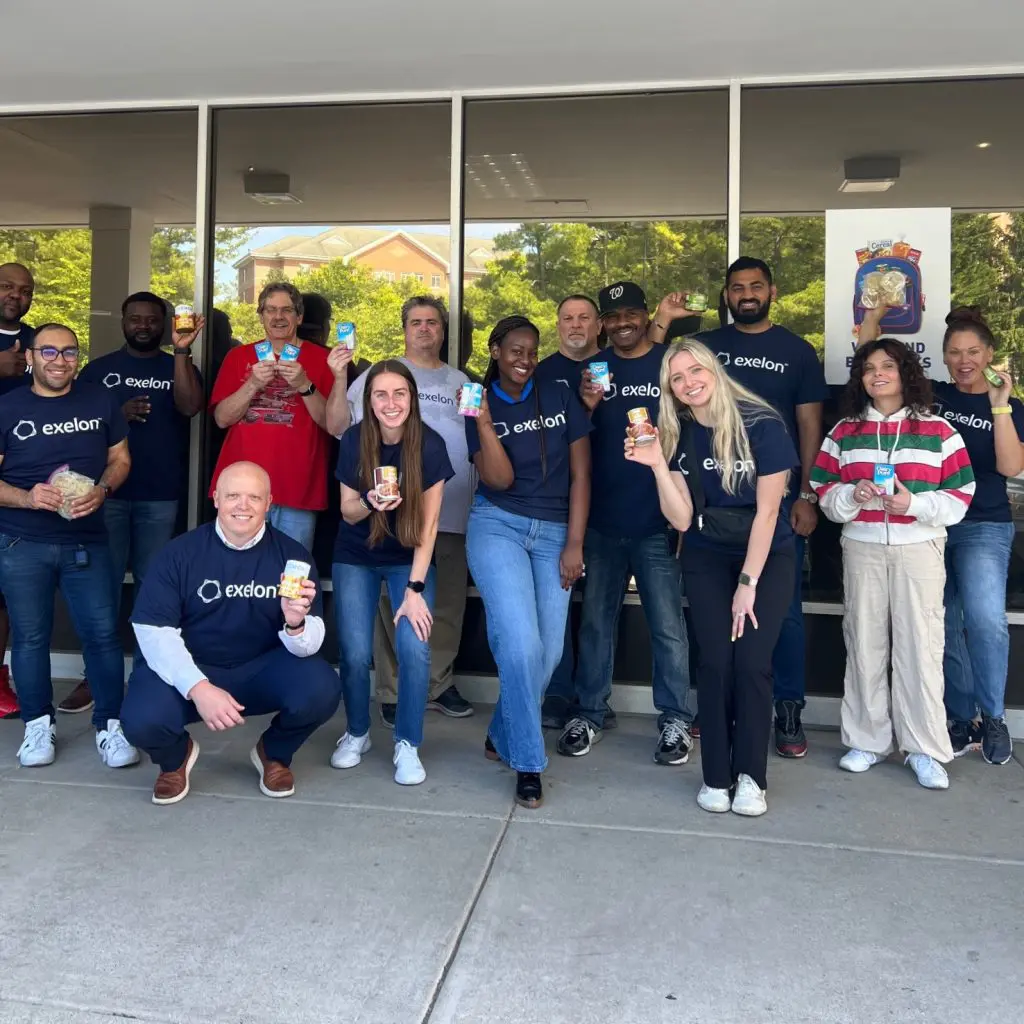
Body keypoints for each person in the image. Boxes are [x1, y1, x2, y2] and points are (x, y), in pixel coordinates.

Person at [653, 257, 828, 758]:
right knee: (715, 630)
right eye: (736, 287)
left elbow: (809, 422)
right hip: (712, 521)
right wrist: (663, 319)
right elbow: (663, 370)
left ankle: (787, 708)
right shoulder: (708, 346)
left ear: (771, 291)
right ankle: (720, 710)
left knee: (780, 617)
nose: (746, 294)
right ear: (726, 294)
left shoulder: (795, 350)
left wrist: (807, 492)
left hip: (772, 503)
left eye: (755, 286)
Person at [629, 339, 796, 816]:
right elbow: (681, 519)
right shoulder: (676, 432)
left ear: (714, 369)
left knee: (751, 664)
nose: (688, 383)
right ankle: (716, 778)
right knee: (716, 663)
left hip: (765, 556)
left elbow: (768, 515)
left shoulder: (762, 423)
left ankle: (751, 777)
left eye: (695, 370)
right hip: (705, 553)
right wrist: (657, 465)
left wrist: (747, 584)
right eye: (677, 378)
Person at [120, 461, 341, 804]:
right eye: (233, 495)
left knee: (321, 687)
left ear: (269, 503)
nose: (243, 505)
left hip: (259, 669)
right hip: (193, 668)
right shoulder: (180, 553)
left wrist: (295, 623)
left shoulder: (292, 557)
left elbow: (308, 646)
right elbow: (153, 631)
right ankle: (174, 760)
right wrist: (198, 687)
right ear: (216, 499)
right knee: (140, 718)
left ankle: (274, 753)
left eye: (254, 497)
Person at [859, 305, 1021, 765]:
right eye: (955, 352)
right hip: (924, 522)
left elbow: (1011, 467)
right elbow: (870, 354)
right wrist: (876, 313)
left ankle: (993, 717)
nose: (964, 360)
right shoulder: (933, 396)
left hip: (981, 524)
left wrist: (1001, 404)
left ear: (989, 354)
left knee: (986, 619)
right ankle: (957, 716)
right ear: (944, 357)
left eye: (973, 352)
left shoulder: (1008, 405)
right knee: (941, 624)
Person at [811, 339, 975, 790]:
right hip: (861, 546)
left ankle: (923, 748)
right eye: (868, 368)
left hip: (919, 548)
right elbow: (824, 491)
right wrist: (852, 496)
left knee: (921, 647)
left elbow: (960, 497)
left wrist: (912, 504)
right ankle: (868, 740)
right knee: (864, 642)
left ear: (906, 373)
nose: (877, 374)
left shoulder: (939, 431)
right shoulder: (844, 432)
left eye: (887, 366)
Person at [558, 281, 694, 765]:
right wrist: (586, 406)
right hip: (601, 521)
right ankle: (589, 713)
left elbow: (690, 433)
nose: (621, 324)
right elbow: (571, 441)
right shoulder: (593, 372)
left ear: (644, 315)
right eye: (612, 317)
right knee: (596, 623)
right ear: (602, 323)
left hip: (658, 521)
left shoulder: (667, 364)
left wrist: (684, 513)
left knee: (667, 627)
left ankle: (677, 719)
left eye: (630, 314)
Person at [58, 292, 204, 715]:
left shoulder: (175, 366)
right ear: (123, 321)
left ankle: (150, 676)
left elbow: (191, 406)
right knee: (100, 590)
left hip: (160, 495)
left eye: (151, 320)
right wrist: (115, 414)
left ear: (162, 324)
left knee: (153, 590)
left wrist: (181, 353)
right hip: (106, 494)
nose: (143, 325)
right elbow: (74, 427)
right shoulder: (99, 371)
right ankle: (95, 677)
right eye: (135, 318)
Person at [465, 316, 590, 808]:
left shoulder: (559, 394)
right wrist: (481, 421)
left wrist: (574, 543)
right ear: (496, 351)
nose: (524, 360)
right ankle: (528, 763)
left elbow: (582, 474)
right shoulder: (479, 402)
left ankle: (501, 729)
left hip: (557, 531)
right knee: (519, 646)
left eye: (531, 352)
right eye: (514, 350)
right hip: (498, 524)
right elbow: (496, 478)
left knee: (550, 652)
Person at [0, 323, 137, 769]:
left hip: (87, 541)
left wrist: (104, 490)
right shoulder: (7, 407)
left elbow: (120, 458)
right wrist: (27, 496)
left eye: (69, 352)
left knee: (101, 636)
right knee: (30, 637)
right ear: (30, 357)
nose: (60, 360)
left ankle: (110, 727)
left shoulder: (99, 400)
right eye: (49, 351)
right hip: (23, 540)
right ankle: (38, 725)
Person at [340, 296, 475, 726]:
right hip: (383, 515)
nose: (424, 329)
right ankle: (392, 689)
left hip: (449, 511)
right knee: (385, 608)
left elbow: (479, 433)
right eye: (415, 322)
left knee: (447, 604)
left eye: (432, 322)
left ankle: (438, 681)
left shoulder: (462, 380)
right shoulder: (377, 377)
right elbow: (348, 431)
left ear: (442, 330)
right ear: (404, 329)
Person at [331, 359, 453, 785]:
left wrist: (415, 589)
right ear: (368, 400)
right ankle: (357, 732)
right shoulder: (353, 439)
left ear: (412, 398)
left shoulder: (430, 445)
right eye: (380, 394)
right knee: (354, 650)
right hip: (355, 555)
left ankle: (407, 743)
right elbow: (347, 513)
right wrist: (370, 502)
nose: (390, 402)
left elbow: (430, 525)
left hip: (409, 558)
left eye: (399, 393)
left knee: (415, 647)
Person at [209, 282, 348, 551]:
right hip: (240, 491)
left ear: (300, 316)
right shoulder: (238, 357)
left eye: (286, 310)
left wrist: (304, 386)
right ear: (261, 315)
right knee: (237, 571)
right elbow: (221, 419)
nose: (278, 317)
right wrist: (251, 384)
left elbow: (333, 425)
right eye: (270, 310)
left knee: (291, 576)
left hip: (298, 488)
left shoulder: (324, 359)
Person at [533, 294, 602, 729]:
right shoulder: (540, 373)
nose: (575, 325)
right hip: (558, 506)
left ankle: (595, 698)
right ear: (558, 325)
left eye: (583, 318)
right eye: (567, 318)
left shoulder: (618, 362)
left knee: (598, 608)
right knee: (556, 602)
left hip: (616, 504)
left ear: (598, 325)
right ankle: (557, 692)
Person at [0, 262, 34, 719]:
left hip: (18, 487)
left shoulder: (33, 342)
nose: (15, 295)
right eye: (7, 285)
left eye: (24, 290)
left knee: (6, 593)